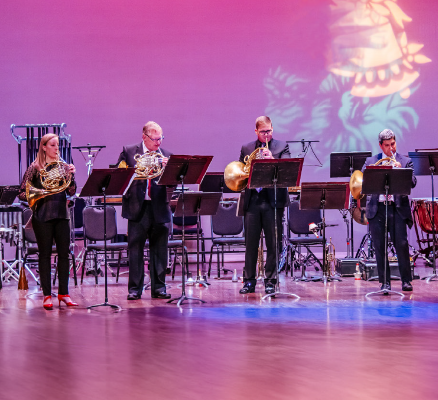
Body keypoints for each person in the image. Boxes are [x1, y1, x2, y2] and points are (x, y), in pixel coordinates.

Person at [18, 133, 78, 310]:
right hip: (42, 215)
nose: (56, 148)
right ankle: (46, 295)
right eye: (52, 145)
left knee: (64, 255)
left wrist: (72, 175)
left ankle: (64, 293)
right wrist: (40, 192)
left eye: (58, 145)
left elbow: (72, 191)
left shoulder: (63, 166)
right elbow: (22, 192)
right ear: (44, 147)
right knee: (44, 255)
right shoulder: (34, 168)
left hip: (61, 214)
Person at [117, 121, 172, 300]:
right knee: (135, 250)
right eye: (155, 139)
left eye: (160, 138)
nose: (158, 143)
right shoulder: (129, 151)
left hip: (159, 207)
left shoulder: (167, 156)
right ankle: (134, 290)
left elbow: (171, 184)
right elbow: (120, 176)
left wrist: (167, 169)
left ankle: (159, 288)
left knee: (160, 250)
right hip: (137, 208)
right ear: (144, 137)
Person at [239, 116, 291, 294]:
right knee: (251, 244)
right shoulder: (246, 148)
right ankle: (249, 281)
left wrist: (272, 160)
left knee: (273, 243)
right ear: (256, 132)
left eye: (269, 131)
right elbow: (239, 172)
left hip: (273, 201)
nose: (267, 134)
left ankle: (271, 281)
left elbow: (287, 170)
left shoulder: (282, 147)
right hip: (253, 200)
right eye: (263, 132)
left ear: (272, 129)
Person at [362, 129, 417, 291]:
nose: (391, 148)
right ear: (381, 146)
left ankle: (406, 281)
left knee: (401, 244)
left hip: (397, 208)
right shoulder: (370, 161)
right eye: (387, 145)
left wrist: (400, 171)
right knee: (379, 246)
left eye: (393, 144)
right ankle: (384, 282)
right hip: (377, 208)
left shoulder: (405, 161)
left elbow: (412, 183)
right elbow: (364, 183)